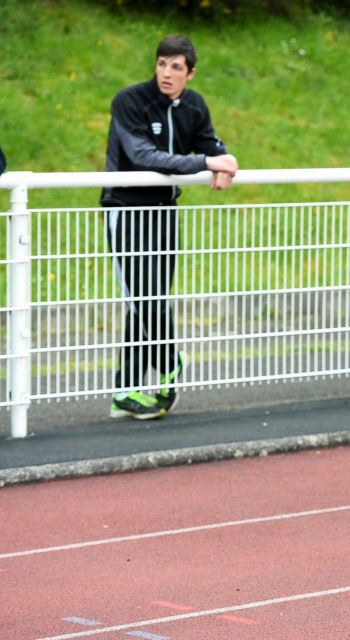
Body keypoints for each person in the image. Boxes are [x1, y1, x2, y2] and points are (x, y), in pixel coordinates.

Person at [101, 35, 238, 420]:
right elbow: (143, 156)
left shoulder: (194, 105)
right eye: (162, 63)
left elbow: (212, 145)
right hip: (125, 210)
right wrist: (205, 164)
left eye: (176, 67)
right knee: (141, 300)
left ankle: (127, 391)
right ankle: (169, 361)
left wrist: (226, 160)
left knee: (154, 299)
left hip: (165, 213)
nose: (166, 73)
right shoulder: (129, 101)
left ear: (189, 73)